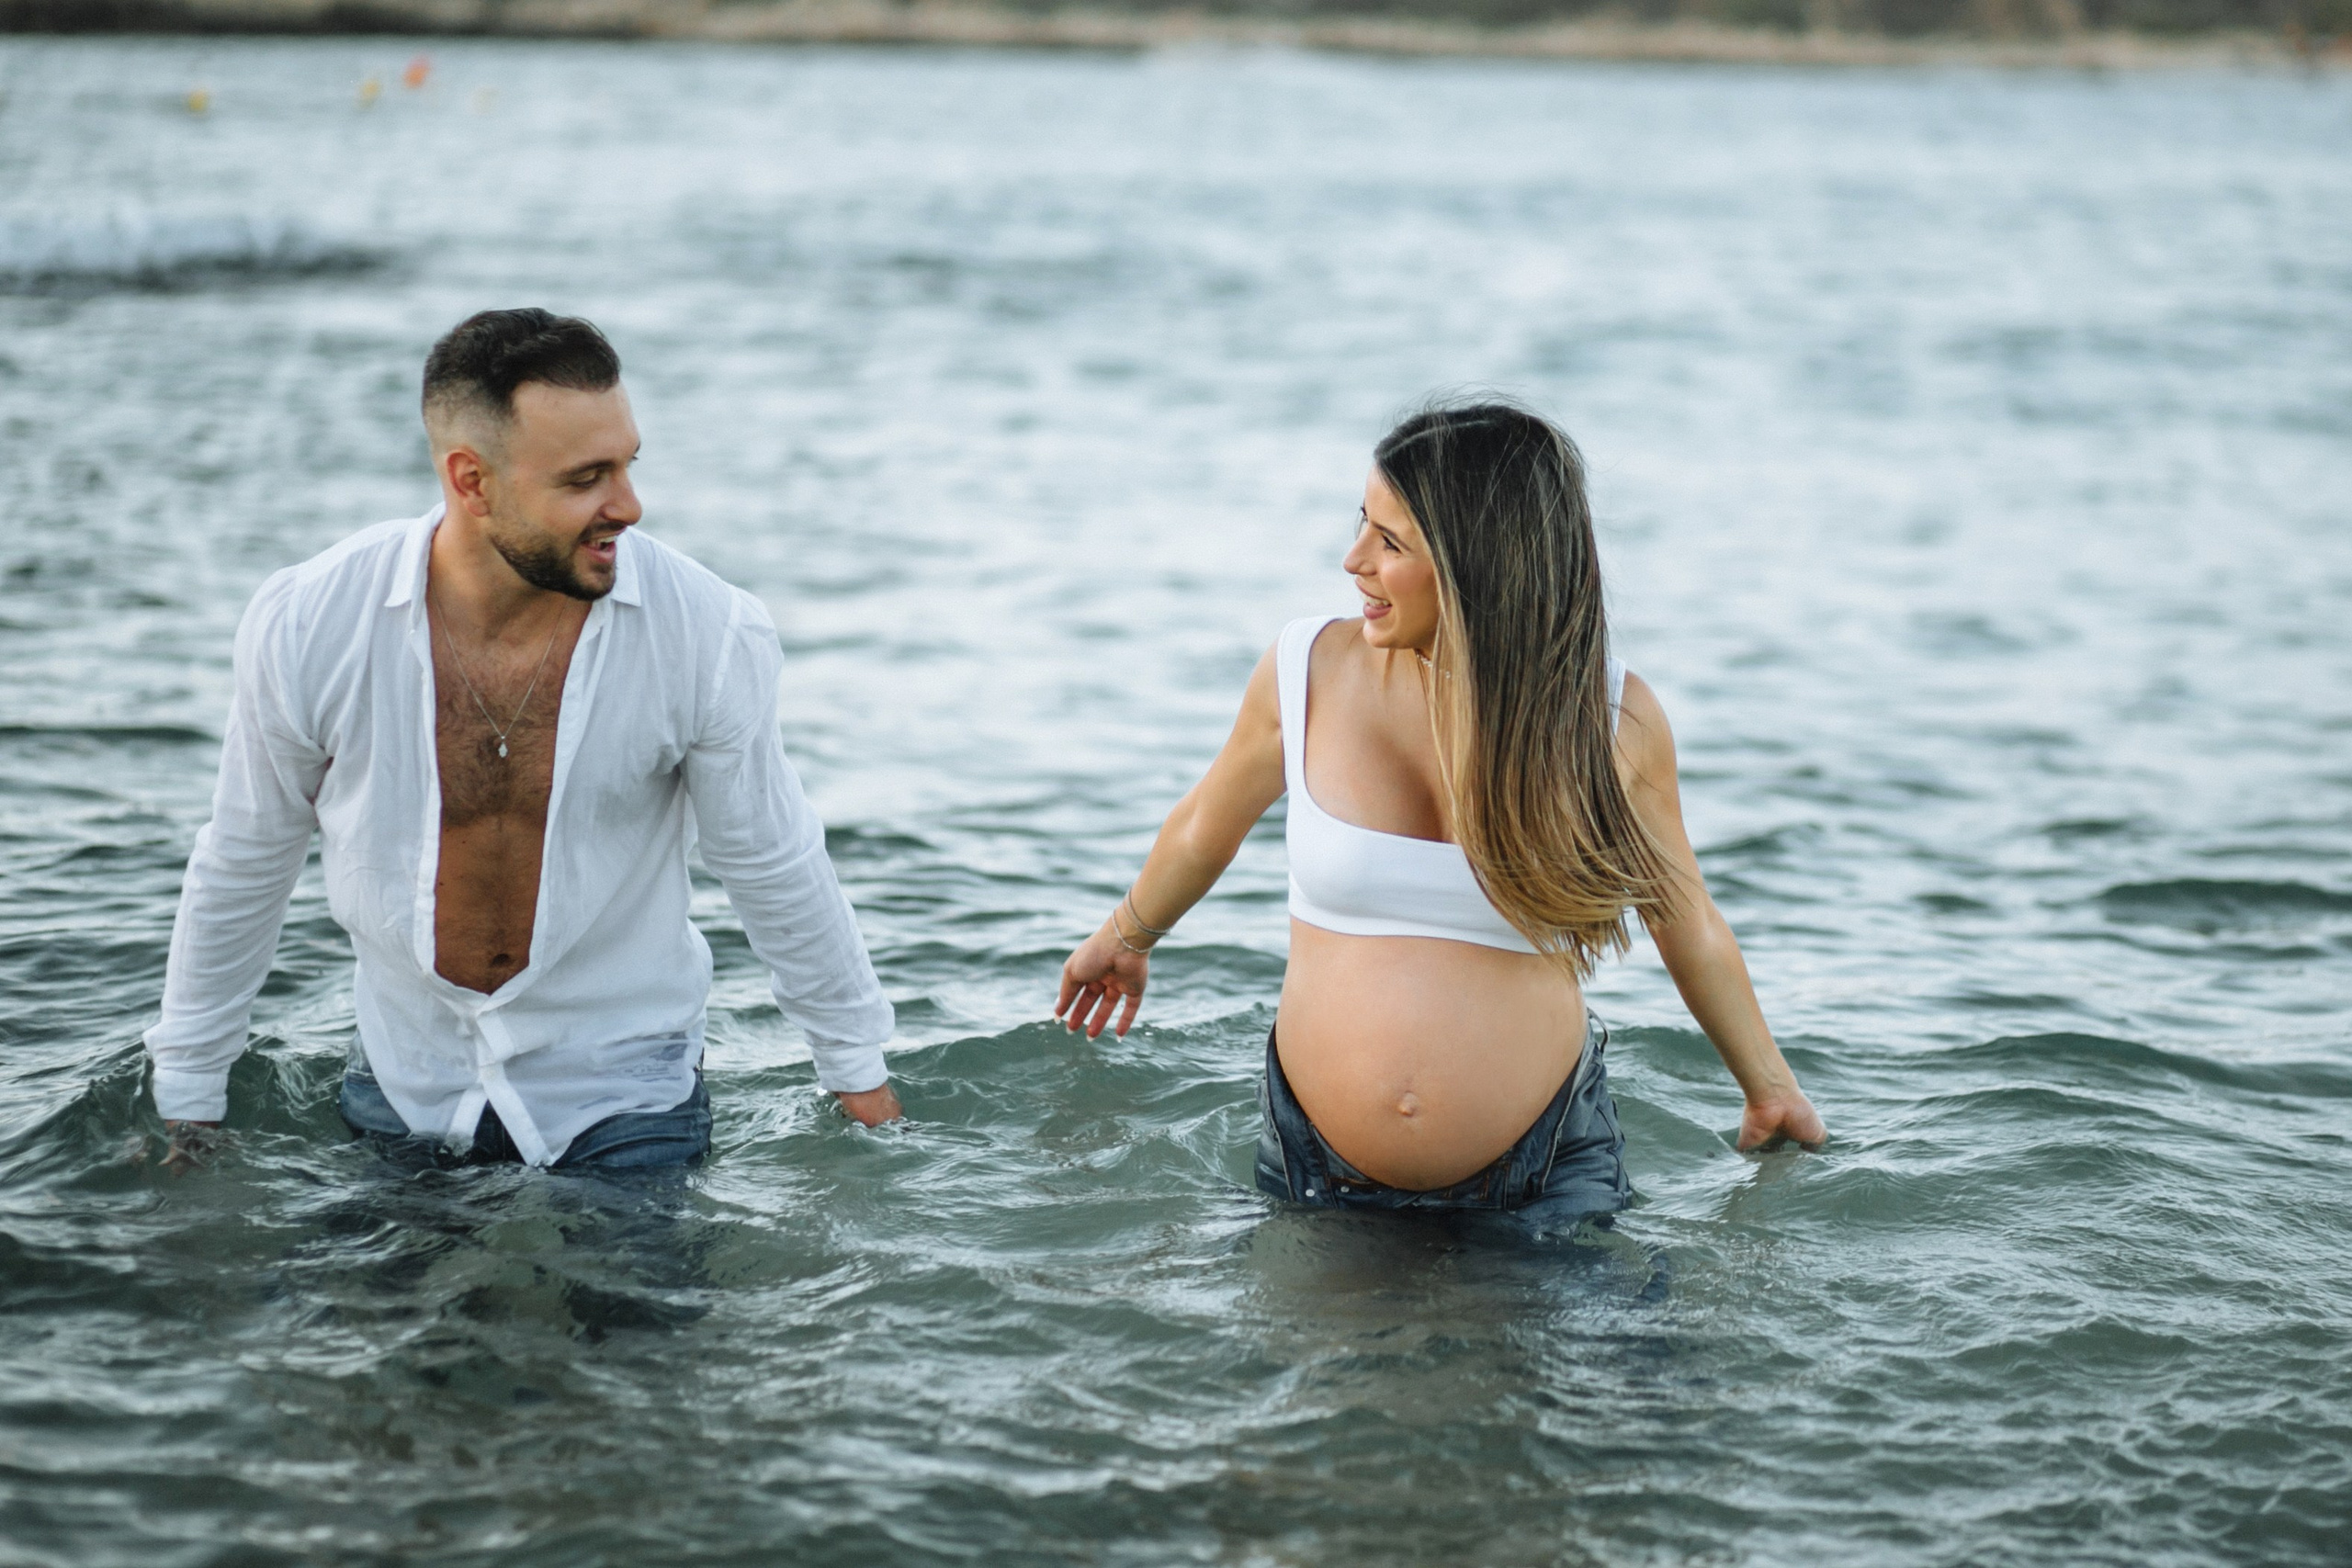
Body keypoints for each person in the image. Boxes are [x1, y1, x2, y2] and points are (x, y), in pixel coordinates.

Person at [145, 308, 900, 1172]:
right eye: (586, 478)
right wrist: (190, 1106)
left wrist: (862, 1085)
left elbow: (774, 862)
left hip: (625, 1088)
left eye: (627, 464)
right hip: (408, 1083)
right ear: (472, 481)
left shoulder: (708, 631)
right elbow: (245, 858)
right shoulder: (312, 623)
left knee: (640, 1302)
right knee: (363, 1309)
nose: (629, 504)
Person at [1055, 401, 1824, 1223]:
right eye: (1363, 526)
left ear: (1476, 565)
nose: (1353, 561)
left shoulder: (1608, 720)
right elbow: (1209, 819)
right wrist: (1127, 934)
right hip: (1319, 1168)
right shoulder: (1306, 672)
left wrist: (1769, 1089)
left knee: (1640, 1353)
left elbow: (1683, 914)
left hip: (1546, 1169)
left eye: (1390, 543)